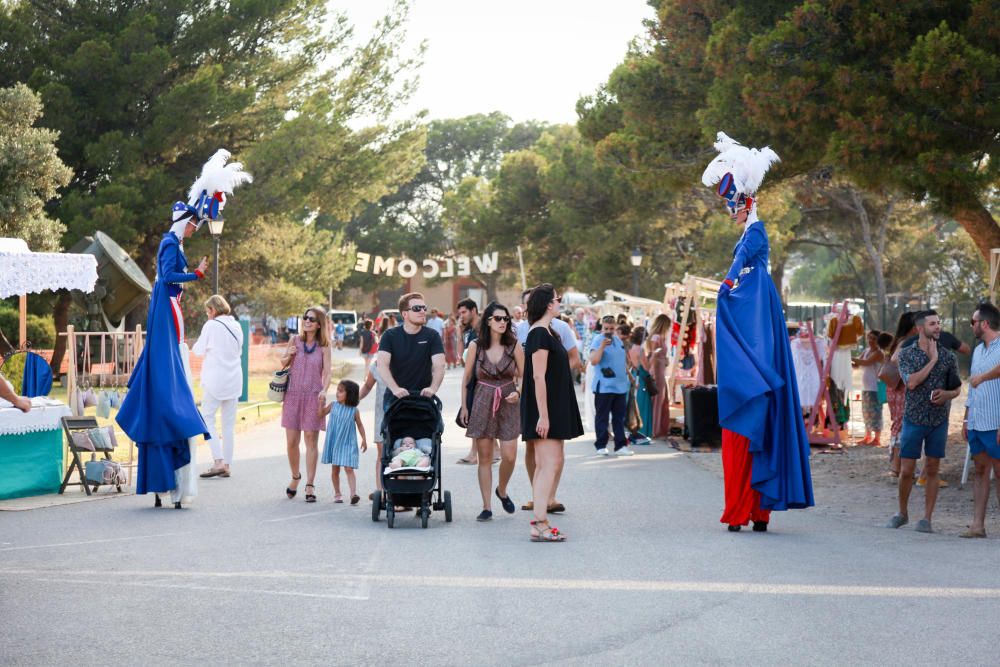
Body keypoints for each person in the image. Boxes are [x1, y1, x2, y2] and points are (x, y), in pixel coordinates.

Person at [118, 150, 250, 509]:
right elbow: (168, 277)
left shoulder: (173, 243)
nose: (195, 230)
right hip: (167, 309)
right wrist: (197, 274)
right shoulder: (169, 243)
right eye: (193, 225)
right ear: (184, 222)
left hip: (170, 310)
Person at [702, 132, 814, 532]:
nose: (729, 212)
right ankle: (749, 510)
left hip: (755, 305)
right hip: (753, 304)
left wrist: (726, 284)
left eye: (733, 206)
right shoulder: (750, 235)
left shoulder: (755, 233)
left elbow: (741, 264)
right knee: (751, 408)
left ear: (745, 204)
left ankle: (752, 510)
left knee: (757, 393)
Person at [888, 310, 960, 534]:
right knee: (907, 470)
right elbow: (911, 383)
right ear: (920, 328)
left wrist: (947, 395)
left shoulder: (949, 357)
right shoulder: (907, 355)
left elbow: (957, 388)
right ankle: (902, 513)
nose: (937, 327)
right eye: (932, 324)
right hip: (914, 418)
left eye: (938, 323)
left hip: (939, 420)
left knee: (932, 468)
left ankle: (927, 518)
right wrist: (933, 361)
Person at [521, 284, 583, 542]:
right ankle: (540, 522)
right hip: (546, 408)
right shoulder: (539, 333)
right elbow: (538, 376)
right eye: (557, 299)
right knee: (549, 463)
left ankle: (540, 520)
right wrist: (543, 415)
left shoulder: (547, 331)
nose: (560, 303)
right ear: (548, 304)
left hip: (553, 405)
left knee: (545, 464)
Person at [459, 301, 524, 522]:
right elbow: (467, 378)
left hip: (508, 400)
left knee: (510, 455)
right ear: (488, 321)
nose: (502, 322)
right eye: (498, 318)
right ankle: (486, 506)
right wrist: (465, 407)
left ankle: (502, 490)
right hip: (482, 400)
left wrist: (519, 392)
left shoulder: (514, 345)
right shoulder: (476, 346)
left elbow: (524, 375)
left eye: (506, 319)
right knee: (485, 457)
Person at [281, 305, 332, 504]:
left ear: (319, 324)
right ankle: (295, 477)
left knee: (311, 440)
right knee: (292, 442)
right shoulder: (294, 340)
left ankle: (310, 484)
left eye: (311, 319)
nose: (307, 321)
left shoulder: (324, 346)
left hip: (313, 396)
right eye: (305, 318)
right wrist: (289, 354)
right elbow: (282, 363)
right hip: (292, 395)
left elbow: (328, 372)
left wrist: (324, 390)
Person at [960, 303, 1000, 538]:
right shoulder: (977, 350)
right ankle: (977, 525)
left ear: (984, 324)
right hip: (977, 420)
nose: (971, 326)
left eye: (973, 322)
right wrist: (966, 419)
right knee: (980, 469)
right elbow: (972, 386)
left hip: (995, 421)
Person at [192, 295, 244, 479]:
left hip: (215, 380)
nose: (207, 315)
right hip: (234, 379)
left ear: (213, 310)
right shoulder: (236, 326)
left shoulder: (211, 325)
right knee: (228, 426)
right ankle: (227, 465)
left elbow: (198, 350)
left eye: (208, 311)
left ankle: (218, 461)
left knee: (207, 419)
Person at [376, 292, 445, 412]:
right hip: (395, 398)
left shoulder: (432, 336)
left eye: (424, 308)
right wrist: (395, 389)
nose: (422, 311)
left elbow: (440, 366)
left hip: (423, 398)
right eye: (417, 308)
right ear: (405, 314)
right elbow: (382, 365)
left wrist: (432, 389)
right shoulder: (389, 335)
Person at [590, 315, 633, 457]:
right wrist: (602, 347)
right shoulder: (598, 340)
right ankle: (601, 445)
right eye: (606, 328)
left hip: (620, 386)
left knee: (619, 418)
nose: (608, 331)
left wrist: (630, 376)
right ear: (601, 328)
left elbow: (621, 361)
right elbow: (594, 361)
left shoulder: (618, 340)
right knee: (602, 417)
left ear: (615, 328)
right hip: (604, 386)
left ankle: (621, 445)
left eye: (611, 329)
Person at [319, 379, 367, 505]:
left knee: (349, 468)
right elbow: (321, 414)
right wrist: (321, 403)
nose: (337, 393)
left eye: (340, 391)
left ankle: (353, 494)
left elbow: (360, 425)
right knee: (335, 470)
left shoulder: (354, 411)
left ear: (349, 394)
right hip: (335, 442)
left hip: (347, 442)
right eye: (337, 390)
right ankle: (337, 493)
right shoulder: (333, 405)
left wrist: (364, 439)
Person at [456, 298, 488, 465]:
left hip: (484, 377)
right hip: (472, 375)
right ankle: (490, 451)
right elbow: (461, 357)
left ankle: (474, 453)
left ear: (473, 310)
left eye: (464, 312)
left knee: (475, 415)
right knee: (474, 414)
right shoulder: (467, 330)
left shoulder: (485, 328)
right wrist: (459, 334)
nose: (461, 316)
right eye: (460, 313)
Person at [886, 312, 916, 476]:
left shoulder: (899, 340)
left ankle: (896, 466)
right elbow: (896, 359)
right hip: (901, 388)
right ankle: (896, 466)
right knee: (902, 425)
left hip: (895, 387)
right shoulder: (906, 341)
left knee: (899, 424)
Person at [359, 358, 387, 498]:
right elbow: (367, 386)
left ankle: (401, 491)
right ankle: (380, 491)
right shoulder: (377, 365)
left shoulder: (405, 361)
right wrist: (355, 399)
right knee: (382, 453)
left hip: (402, 414)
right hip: (382, 416)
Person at [852, 329, 885, 447]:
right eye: (869, 338)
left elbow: (866, 362)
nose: (871, 341)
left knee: (875, 412)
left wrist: (850, 357)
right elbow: (857, 364)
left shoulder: (879, 353)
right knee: (866, 411)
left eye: (874, 339)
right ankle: (867, 435)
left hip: (875, 387)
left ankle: (877, 438)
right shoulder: (866, 351)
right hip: (866, 387)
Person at [646, 314, 671, 437]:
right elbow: (653, 355)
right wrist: (655, 374)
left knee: (660, 400)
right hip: (657, 370)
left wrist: (665, 360)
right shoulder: (656, 337)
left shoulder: (659, 337)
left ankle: (657, 427)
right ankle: (654, 429)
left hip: (660, 369)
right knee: (656, 400)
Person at [629, 327, 654, 444]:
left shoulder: (631, 348)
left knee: (636, 405)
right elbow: (647, 367)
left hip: (635, 375)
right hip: (642, 377)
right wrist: (652, 356)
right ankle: (642, 434)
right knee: (643, 406)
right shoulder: (640, 350)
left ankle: (634, 433)